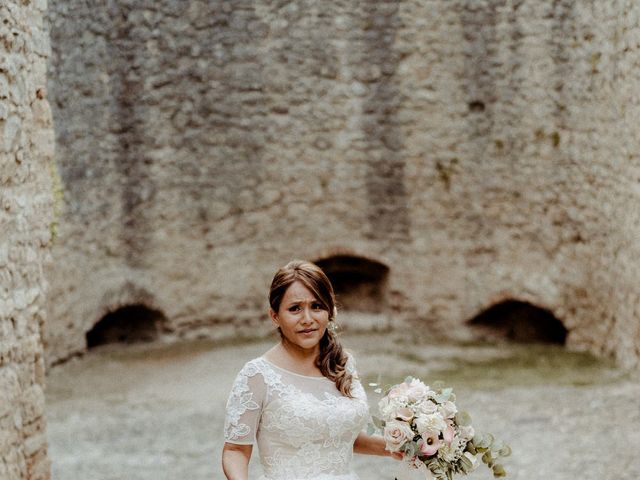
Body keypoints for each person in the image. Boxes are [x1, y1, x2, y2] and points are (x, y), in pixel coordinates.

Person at [222, 260, 400, 480]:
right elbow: (235, 450)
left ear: (330, 311)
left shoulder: (342, 363)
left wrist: (408, 445)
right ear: (275, 316)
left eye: (316, 306)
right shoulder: (257, 375)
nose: (307, 319)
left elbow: (341, 437)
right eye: (295, 309)